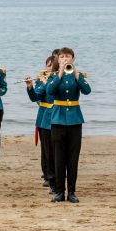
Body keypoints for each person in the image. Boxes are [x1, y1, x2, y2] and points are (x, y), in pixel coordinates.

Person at [46, 48, 90, 203]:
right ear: (58, 59)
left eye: (68, 57)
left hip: (75, 120)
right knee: (59, 158)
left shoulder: (78, 76)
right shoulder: (53, 76)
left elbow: (87, 90)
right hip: (58, 119)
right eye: (62, 57)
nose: (65, 59)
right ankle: (59, 191)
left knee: (72, 158)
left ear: (73, 58)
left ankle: (72, 191)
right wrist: (60, 73)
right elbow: (50, 90)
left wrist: (76, 74)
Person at [27, 56, 55, 192]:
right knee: (46, 150)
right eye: (48, 65)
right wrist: (30, 87)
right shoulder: (41, 80)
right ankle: (48, 177)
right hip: (44, 117)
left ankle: (57, 176)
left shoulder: (58, 79)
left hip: (58, 116)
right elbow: (35, 97)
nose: (50, 68)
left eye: (52, 65)